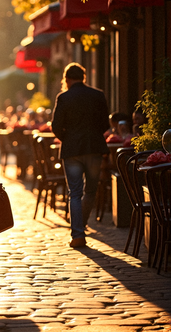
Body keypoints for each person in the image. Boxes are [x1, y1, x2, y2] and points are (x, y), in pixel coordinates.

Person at [51, 63, 109, 248]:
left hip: (72, 151)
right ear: (83, 77)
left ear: (66, 79)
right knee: (90, 191)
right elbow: (105, 124)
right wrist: (93, 135)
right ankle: (80, 226)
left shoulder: (64, 97)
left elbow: (56, 126)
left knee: (74, 193)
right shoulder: (97, 95)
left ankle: (78, 233)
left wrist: (67, 138)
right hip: (93, 148)